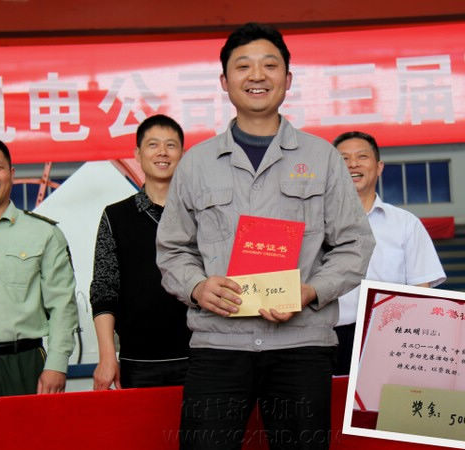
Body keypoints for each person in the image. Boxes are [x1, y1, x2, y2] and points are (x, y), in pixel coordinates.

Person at [156, 23, 374, 450]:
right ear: (224, 81)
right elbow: (172, 248)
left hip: (301, 344)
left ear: (287, 79)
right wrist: (197, 286)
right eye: (243, 66)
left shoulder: (322, 158)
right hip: (218, 345)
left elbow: (355, 244)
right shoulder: (197, 163)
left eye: (270, 65)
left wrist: (311, 291)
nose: (257, 76)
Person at [0, 135, 78, 399]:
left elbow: (62, 305)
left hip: (23, 364)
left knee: (29, 429)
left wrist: (57, 365)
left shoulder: (44, 233)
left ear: (11, 174)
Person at [331, 131, 446, 375]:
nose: (353, 164)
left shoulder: (405, 223)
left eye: (362, 157)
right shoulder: (315, 223)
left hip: (390, 336)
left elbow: (421, 290)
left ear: (379, 167)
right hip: (329, 339)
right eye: (343, 159)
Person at [90, 114, 190, 389]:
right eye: (153, 145)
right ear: (138, 154)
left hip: (199, 356)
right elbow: (104, 290)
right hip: (138, 362)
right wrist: (107, 357)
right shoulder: (115, 216)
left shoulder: (199, 213)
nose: (162, 152)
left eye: (171, 145)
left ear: (183, 154)